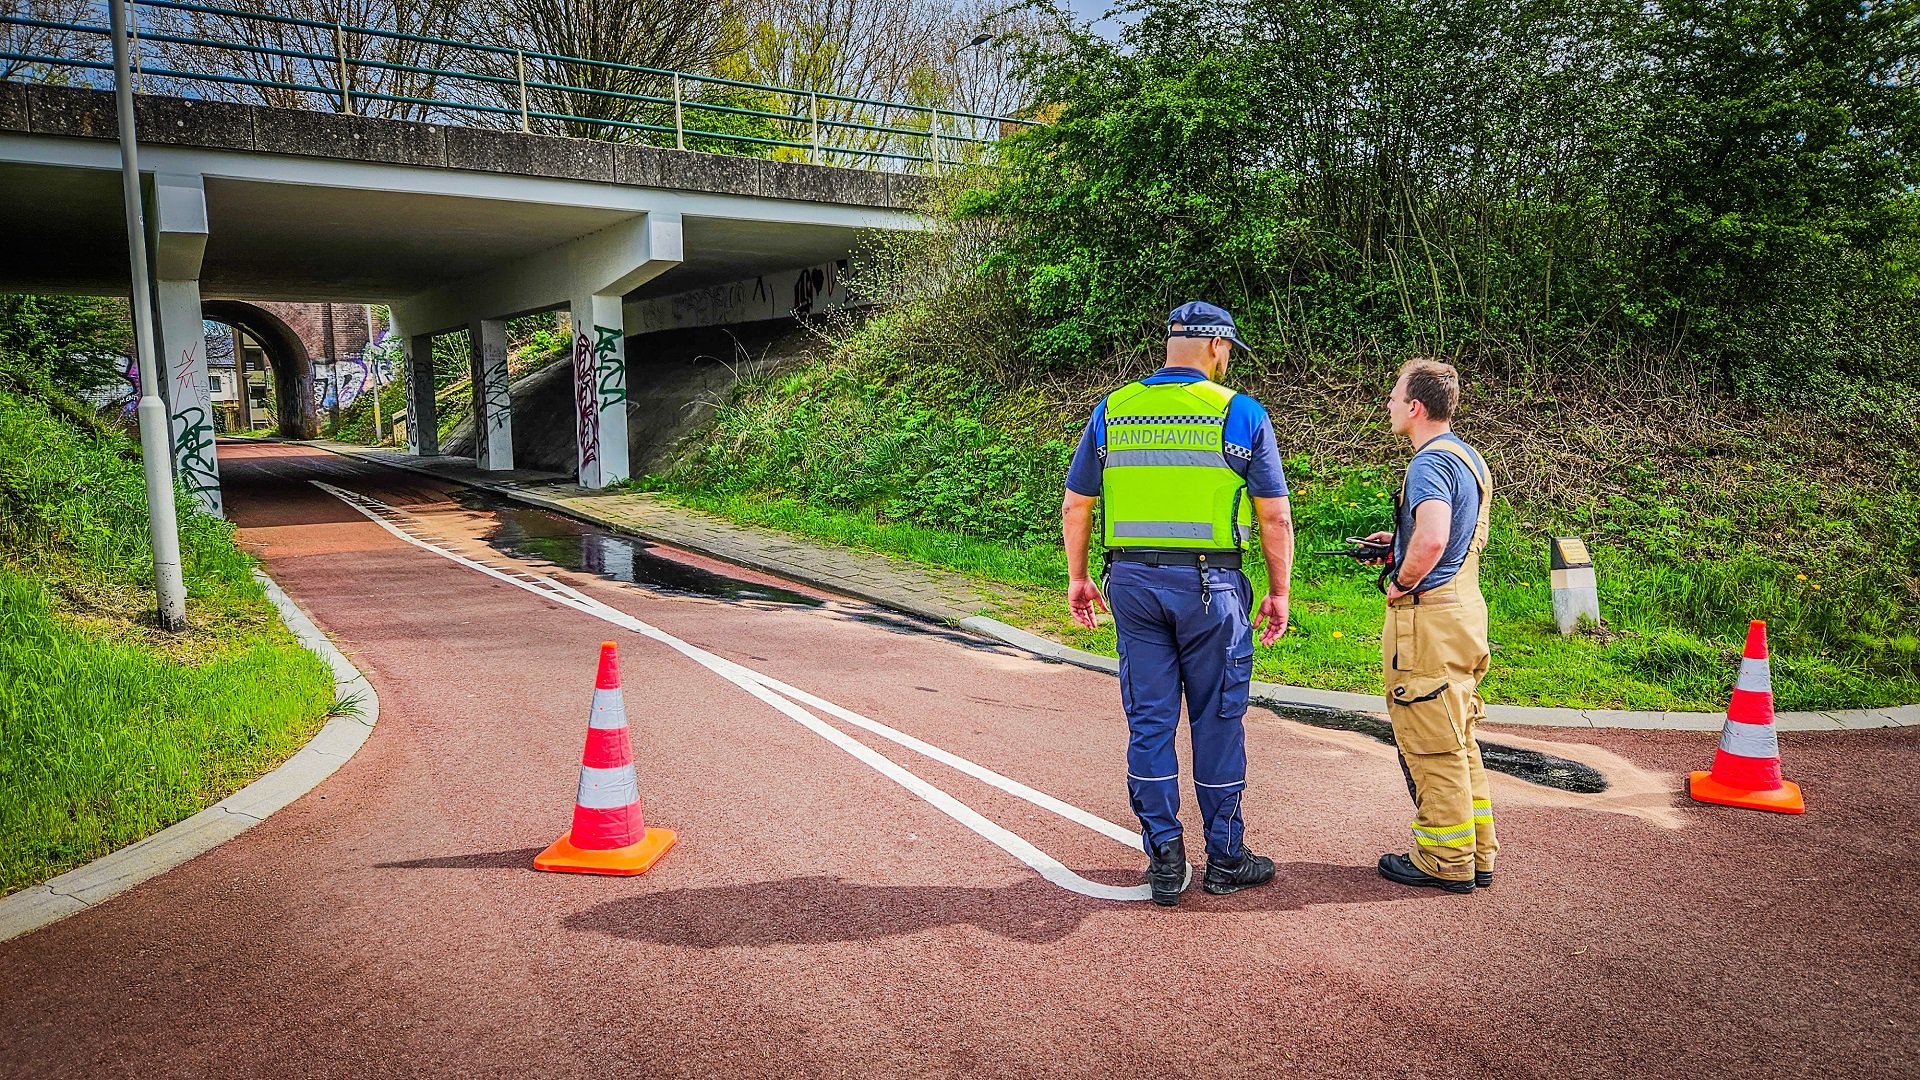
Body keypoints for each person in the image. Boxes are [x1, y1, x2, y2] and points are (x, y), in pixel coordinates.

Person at [1061, 301, 1295, 907]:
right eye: (1228, 351)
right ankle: (1226, 857)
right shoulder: (1240, 413)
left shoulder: (1113, 410)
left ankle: (1165, 856)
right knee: (1217, 718)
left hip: (1132, 583)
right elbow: (1273, 515)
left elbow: (1077, 503)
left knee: (1150, 721)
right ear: (1216, 346)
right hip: (1210, 588)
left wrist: (1079, 577)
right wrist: (1278, 592)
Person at [1360, 357, 1498, 894]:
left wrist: (1401, 579)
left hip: (1428, 621)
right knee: (1458, 738)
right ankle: (1476, 852)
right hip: (1464, 610)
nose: (1390, 405)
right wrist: (1399, 544)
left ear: (1415, 407)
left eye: (1395, 397)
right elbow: (1454, 538)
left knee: (1430, 744)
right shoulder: (1468, 458)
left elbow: (1436, 536)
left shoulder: (1427, 464)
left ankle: (1444, 859)